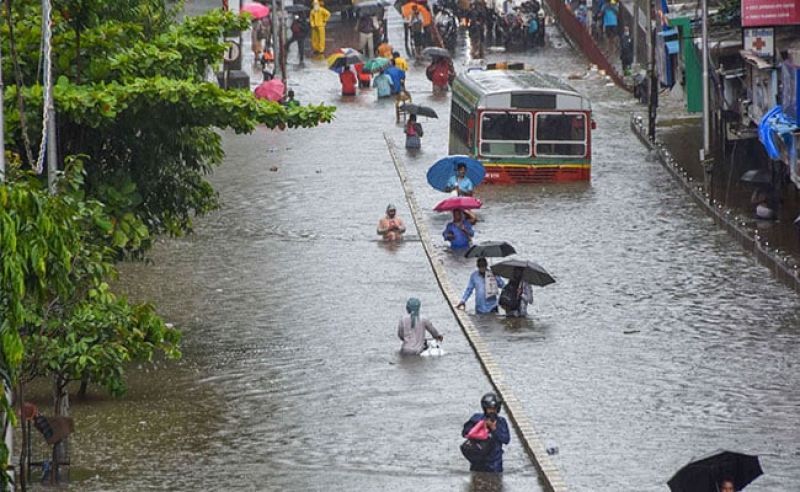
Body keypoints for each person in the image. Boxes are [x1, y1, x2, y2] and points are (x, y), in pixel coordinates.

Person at [461, 393, 511, 472]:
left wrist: (494, 429)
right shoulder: (476, 418)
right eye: (490, 409)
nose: (492, 411)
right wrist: (479, 426)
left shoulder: (501, 422)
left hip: (494, 464)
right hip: (478, 462)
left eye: (494, 409)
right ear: (485, 408)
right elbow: (465, 433)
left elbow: (506, 439)